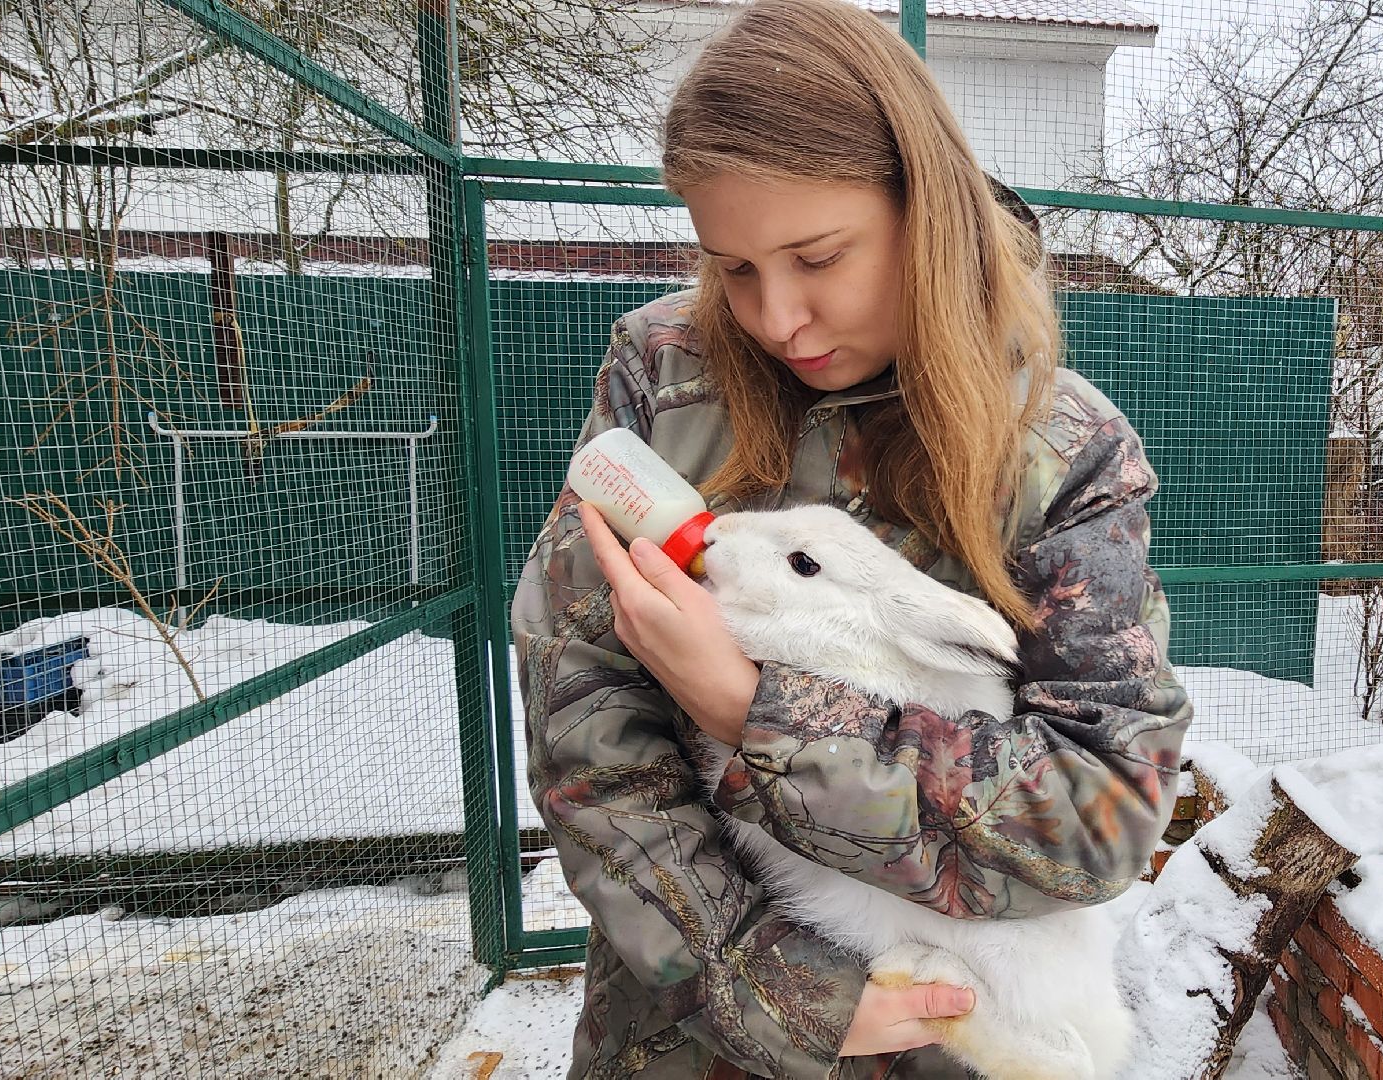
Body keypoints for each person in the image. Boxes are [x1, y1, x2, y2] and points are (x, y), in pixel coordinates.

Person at [509, 0, 1193, 1075]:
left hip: (962, 1042)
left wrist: (753, 711)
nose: (778, 318)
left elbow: (1097, 814)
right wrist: (780, 989)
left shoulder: (1062, 450)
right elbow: (583, 721)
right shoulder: (664, 374)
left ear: (924, 206)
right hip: (689, 1036)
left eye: (819, 257)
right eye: (733, 268)